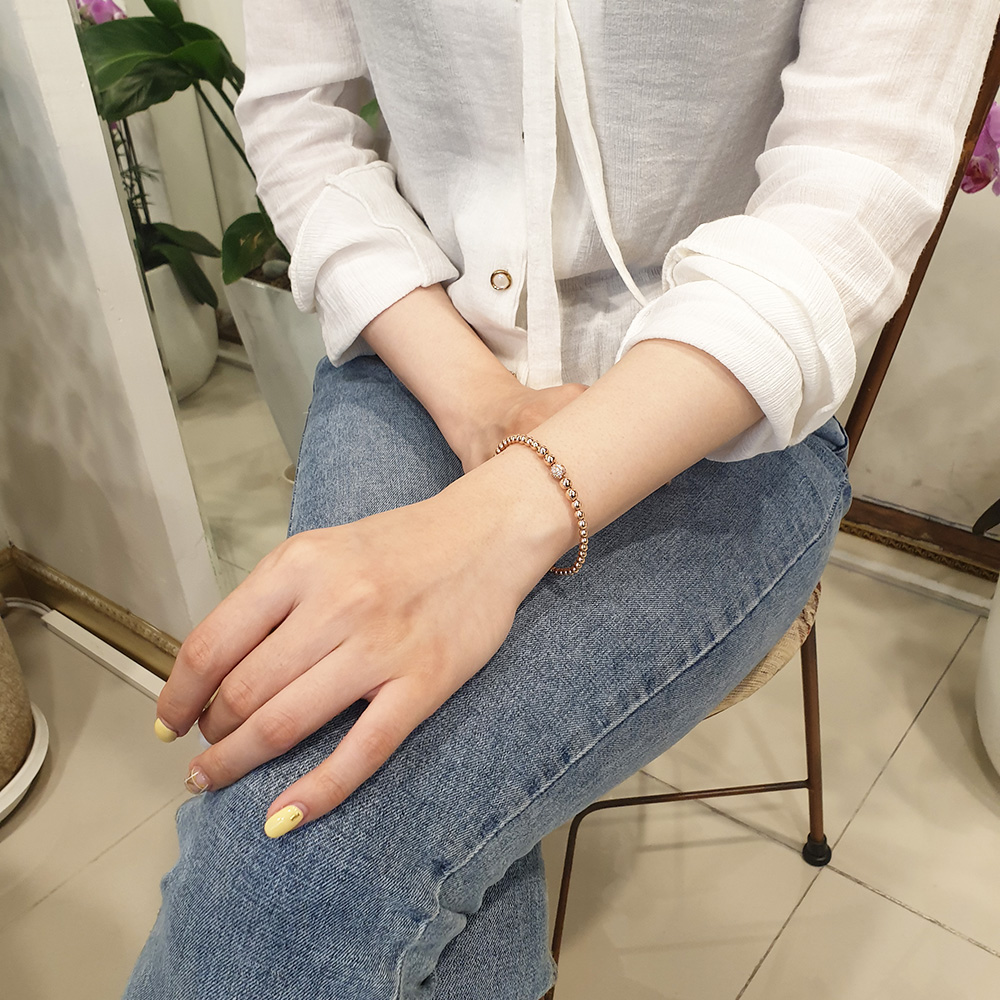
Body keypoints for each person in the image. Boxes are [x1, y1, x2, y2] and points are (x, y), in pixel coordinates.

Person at [125, 2, 998, 997]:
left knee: (291, 856)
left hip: (715, 414)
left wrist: (494, 520)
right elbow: (299, 116)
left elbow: (852, 194)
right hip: (420, 350)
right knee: (316, 819)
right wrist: (480, 401)